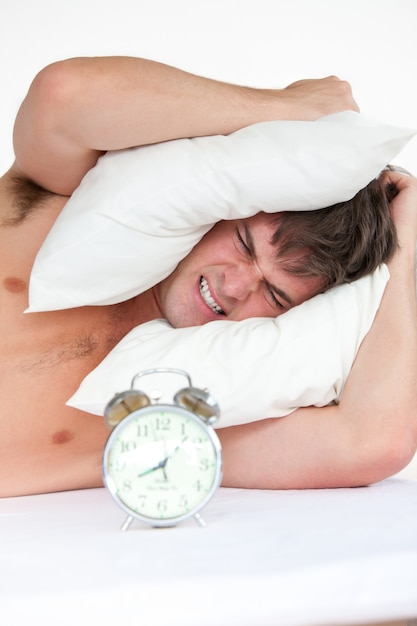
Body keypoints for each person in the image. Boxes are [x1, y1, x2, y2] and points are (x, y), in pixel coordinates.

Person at [0, 56, 415, 497]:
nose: (234, 288)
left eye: (275, 295)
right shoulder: (59, 202)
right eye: (243, 245)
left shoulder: (166, 414)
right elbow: (63, 93)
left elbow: (369, 444)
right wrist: (289, 106)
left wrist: (406, 253)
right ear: (222, 210)